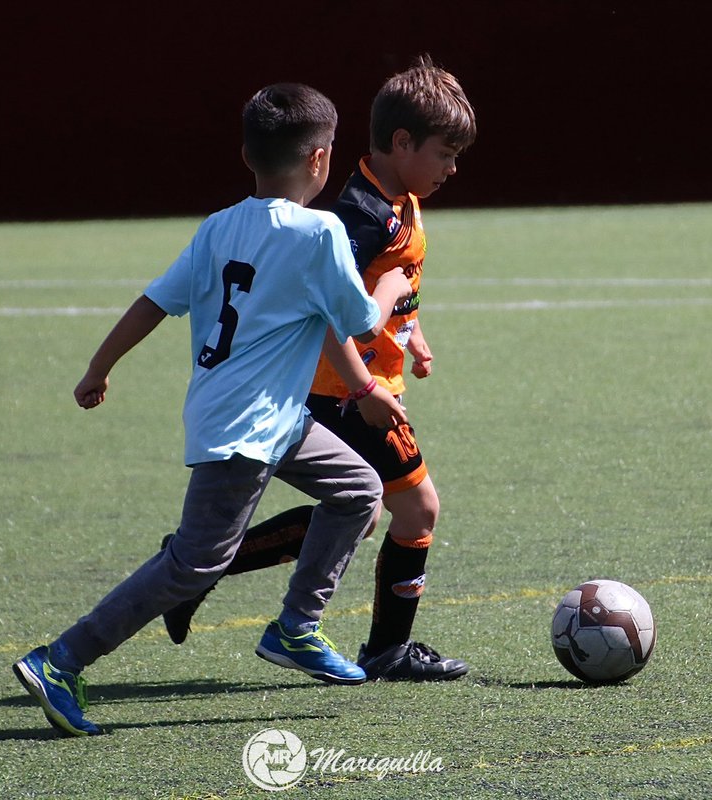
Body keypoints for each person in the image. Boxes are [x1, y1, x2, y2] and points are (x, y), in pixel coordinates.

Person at [12, 82, 414, 737]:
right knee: (193, 564)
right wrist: (392, 283)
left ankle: (296, 628)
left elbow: (154, 302)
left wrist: (99, 367)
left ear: (247, 155)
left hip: (268, 419)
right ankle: (61, 660)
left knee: (358, 491)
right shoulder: (320, 232)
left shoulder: (219, 226)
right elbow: (362, 321)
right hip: (245, 430)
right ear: (319, 160)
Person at [161, 55, 477, 682]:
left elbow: (391, 284)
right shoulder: (360, 215)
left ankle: (197, 568)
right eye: (445, 153)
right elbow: (336, 310)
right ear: (402, 142)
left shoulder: (400, 197)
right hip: (343, 391)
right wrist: (366, 385)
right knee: (417, 511)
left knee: (363, 511)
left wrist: (411, 333)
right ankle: (384, 649)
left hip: (358, 384)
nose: (452, 168)